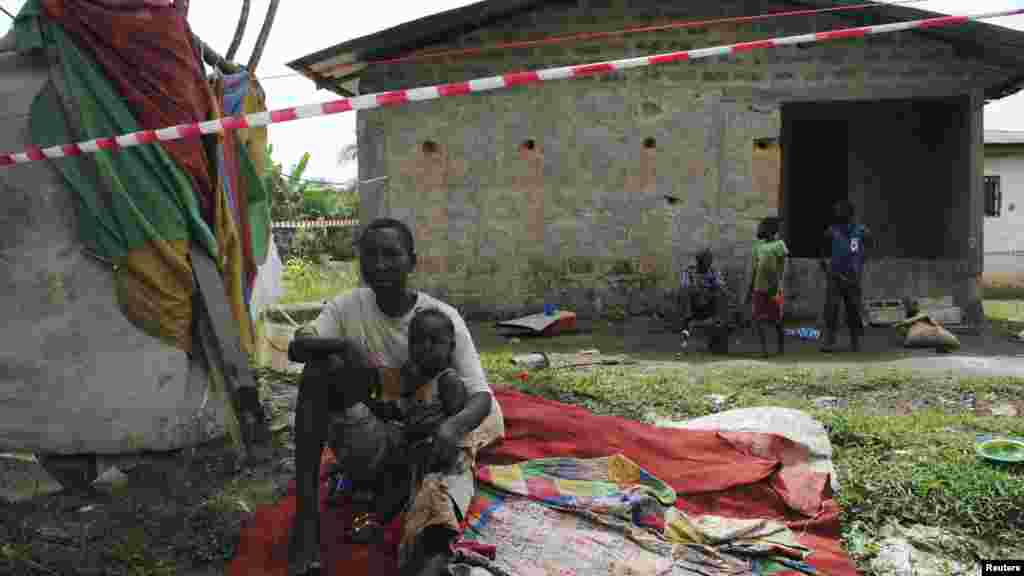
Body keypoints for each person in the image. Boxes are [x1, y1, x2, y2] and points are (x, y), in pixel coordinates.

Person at [286, 218, 504, 576]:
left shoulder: (441, 319)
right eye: (370, 254)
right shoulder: (346, 308)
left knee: (437, 486)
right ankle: (306, 517)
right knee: (318, 370)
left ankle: (427, 542)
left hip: (427, 443)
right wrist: (343, 344)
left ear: (412, 261)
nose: (380, 264)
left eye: (391, 254)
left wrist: (451, 428)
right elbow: (298, 347)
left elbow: (480, 396)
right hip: (377, 440)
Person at [344, 307, 469, 544]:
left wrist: (430, 435)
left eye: (435, 341)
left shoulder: (448, 381)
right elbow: (398, 410)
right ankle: (379, 511)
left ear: (451, 348)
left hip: (436, 456)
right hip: (409, 450)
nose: (425, 347)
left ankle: (380, 520)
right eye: (418, 341)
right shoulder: (412, 380)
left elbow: (457, 426)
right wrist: (370, 403)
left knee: (406, 482)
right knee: (390, 469)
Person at [820, 200, 871, 353]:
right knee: (832, 308)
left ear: (848, 213)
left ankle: (855, 341)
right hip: (835, 275)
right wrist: (823, 262)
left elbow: (870, 243)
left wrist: (862, 259)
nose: (836, 213)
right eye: (836, 211)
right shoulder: (832, 231)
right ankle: (829, 341)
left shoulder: (861, 230)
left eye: (839, 211)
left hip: (852, 276)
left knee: (853, 309)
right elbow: (822, 246)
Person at [749, 217, 788, 357]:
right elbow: (756, 269)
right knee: (758, 319)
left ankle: (780, 349)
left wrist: (777, 285)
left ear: (770, 230)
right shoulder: (758, 247)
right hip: (759, 288)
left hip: (773, 288)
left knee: (777, 320)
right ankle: (764, 350)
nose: (759, 230)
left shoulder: (779, 245)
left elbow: (782, 267)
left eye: (761, 227)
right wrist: (750, 288)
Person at [679, 249, 727, 350]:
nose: (707, 263)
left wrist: (710, 291)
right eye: (704, 260)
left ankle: (717, 341)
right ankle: (685, 338)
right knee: (686, 293)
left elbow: (720, 286)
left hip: (710, 304)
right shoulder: (689, 272)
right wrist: (698, 290)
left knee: (720, 295)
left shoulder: (713, 272)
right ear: (698, 261)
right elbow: (685, 286)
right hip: (693, 305)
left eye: (709, 260)